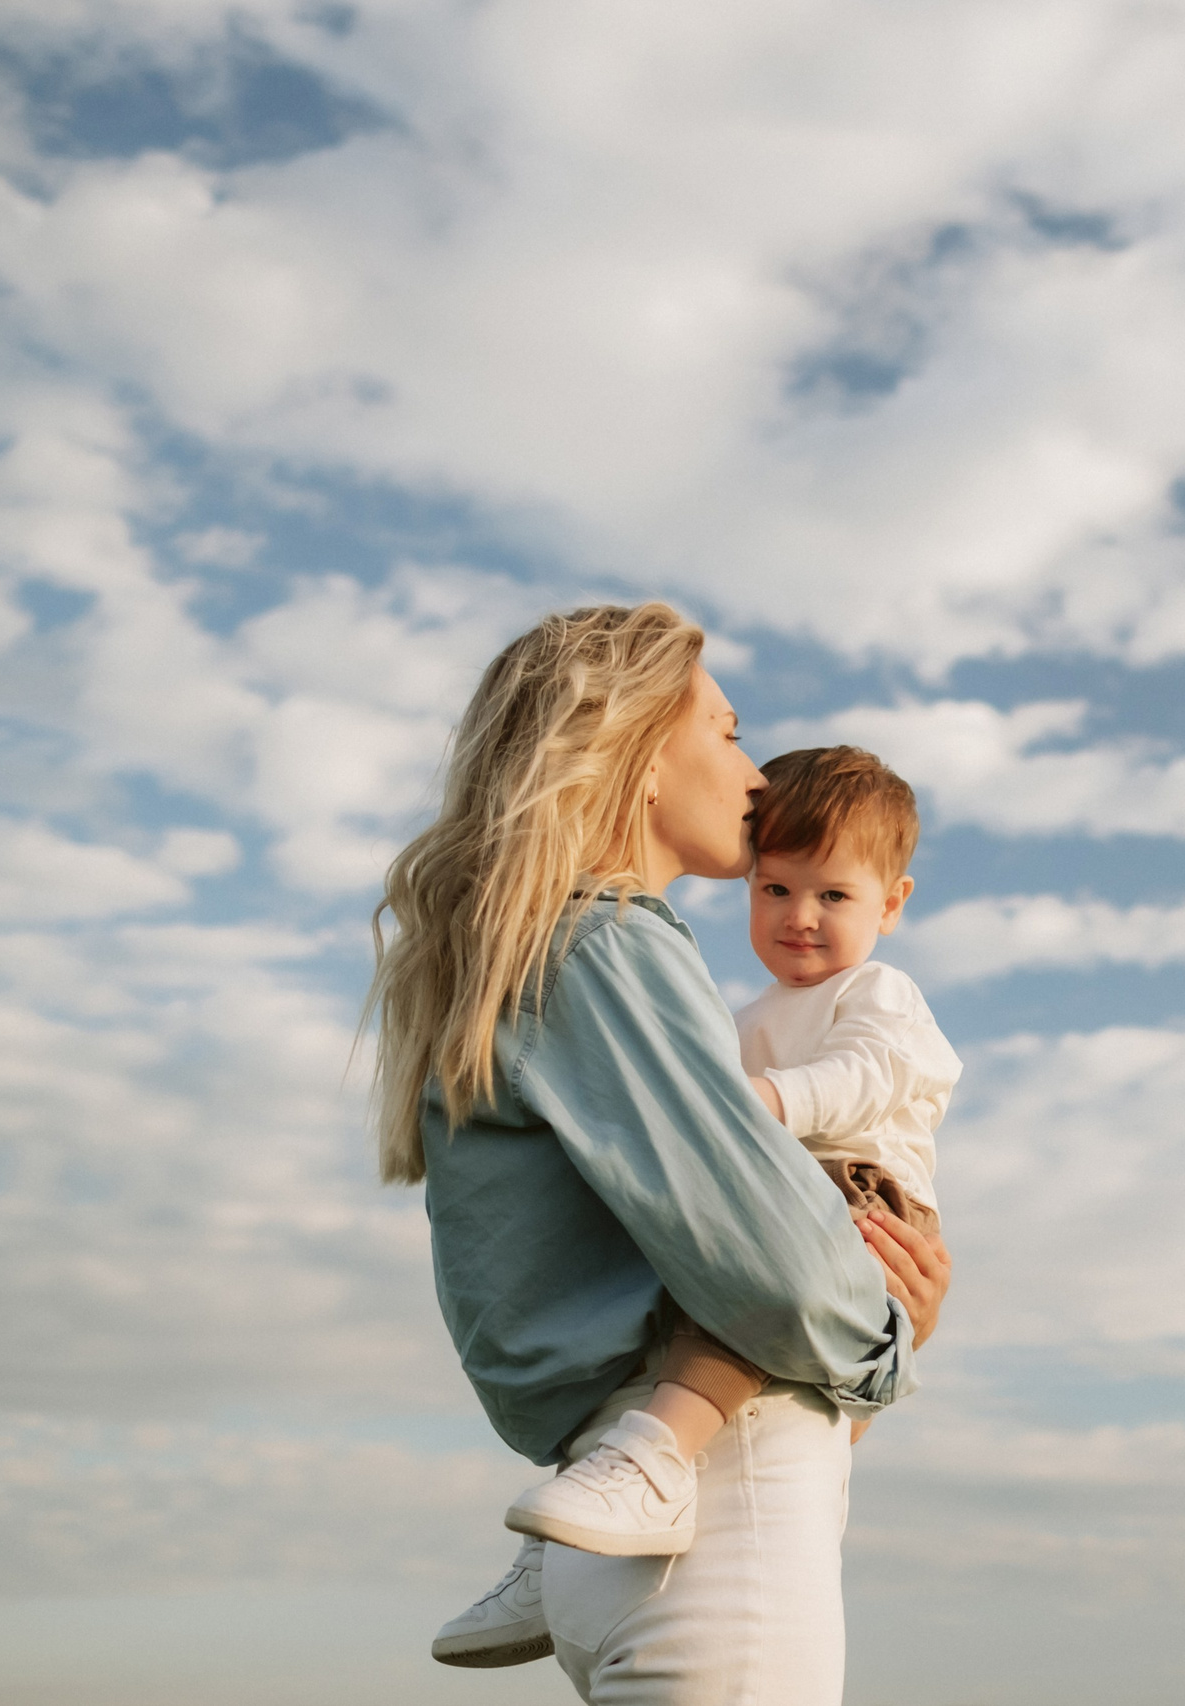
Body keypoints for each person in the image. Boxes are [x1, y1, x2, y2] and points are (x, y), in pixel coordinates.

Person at [368, 603, 948, 1702]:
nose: (753, 777)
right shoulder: (613, 942)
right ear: (632, 751)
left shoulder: (525, 964)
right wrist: (891, 1330)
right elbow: (775, 1270)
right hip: (721, 1517)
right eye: (726, 733)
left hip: (618, 1503)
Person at [499, 743, 960, 1556]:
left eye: (833, 894)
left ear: (891, 904)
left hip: (860, 1188)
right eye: (775, 889)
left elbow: (876, 1072)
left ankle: (655, 1460)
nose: (800, 916)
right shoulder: (745, 1016)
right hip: (792, 1180)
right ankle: (571, 1542)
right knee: (686, 1304)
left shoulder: (878, 992)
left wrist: (763, 1104)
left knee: (749, 1294)